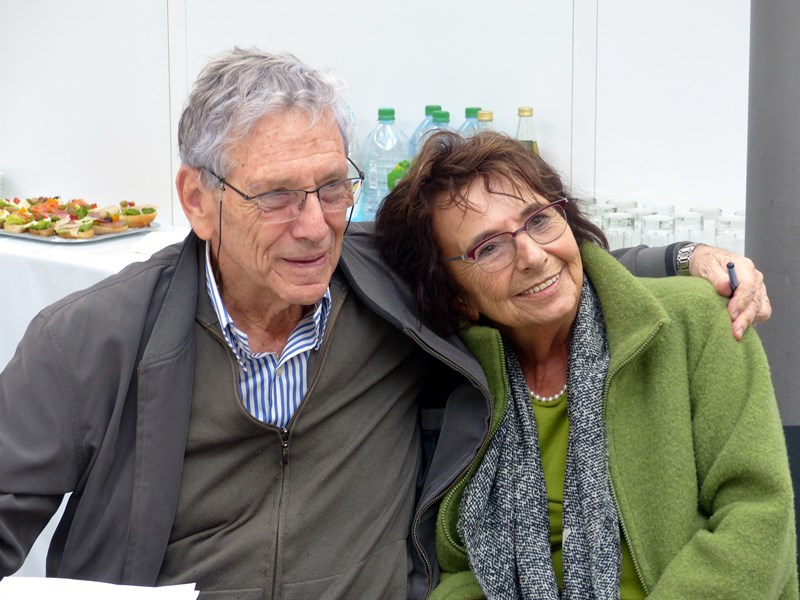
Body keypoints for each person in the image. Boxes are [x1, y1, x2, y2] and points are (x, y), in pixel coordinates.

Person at [0, 47, 773, 598]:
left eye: (333, 186)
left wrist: (681, 255)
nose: (314, 227)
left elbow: (526, 261)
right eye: (275, 196)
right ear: (198, 201)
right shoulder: (88, 341)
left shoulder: (383, 287)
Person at [374, 129, 797, 599]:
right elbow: (459, 563)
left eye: (538, 220)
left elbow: (758, 517)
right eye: (488, 248)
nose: (533, 257)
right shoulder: (463, 381)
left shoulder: (694, 322)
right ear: (457, 296)